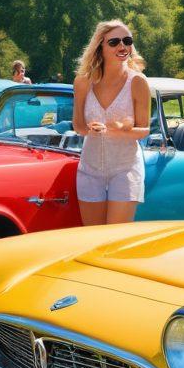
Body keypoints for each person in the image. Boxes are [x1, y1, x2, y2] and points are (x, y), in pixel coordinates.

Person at [73, 21, 152, 226]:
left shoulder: (138, 82)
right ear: (100, 46)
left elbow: (144, 130)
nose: (122, 47)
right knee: (93, 238)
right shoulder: (83, 81)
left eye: (127, 41)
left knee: (114, 237)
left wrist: (121, 131)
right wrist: (90, 129)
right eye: (115, 42)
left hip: (125, 168)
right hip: (89, 168)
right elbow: (78, 126)